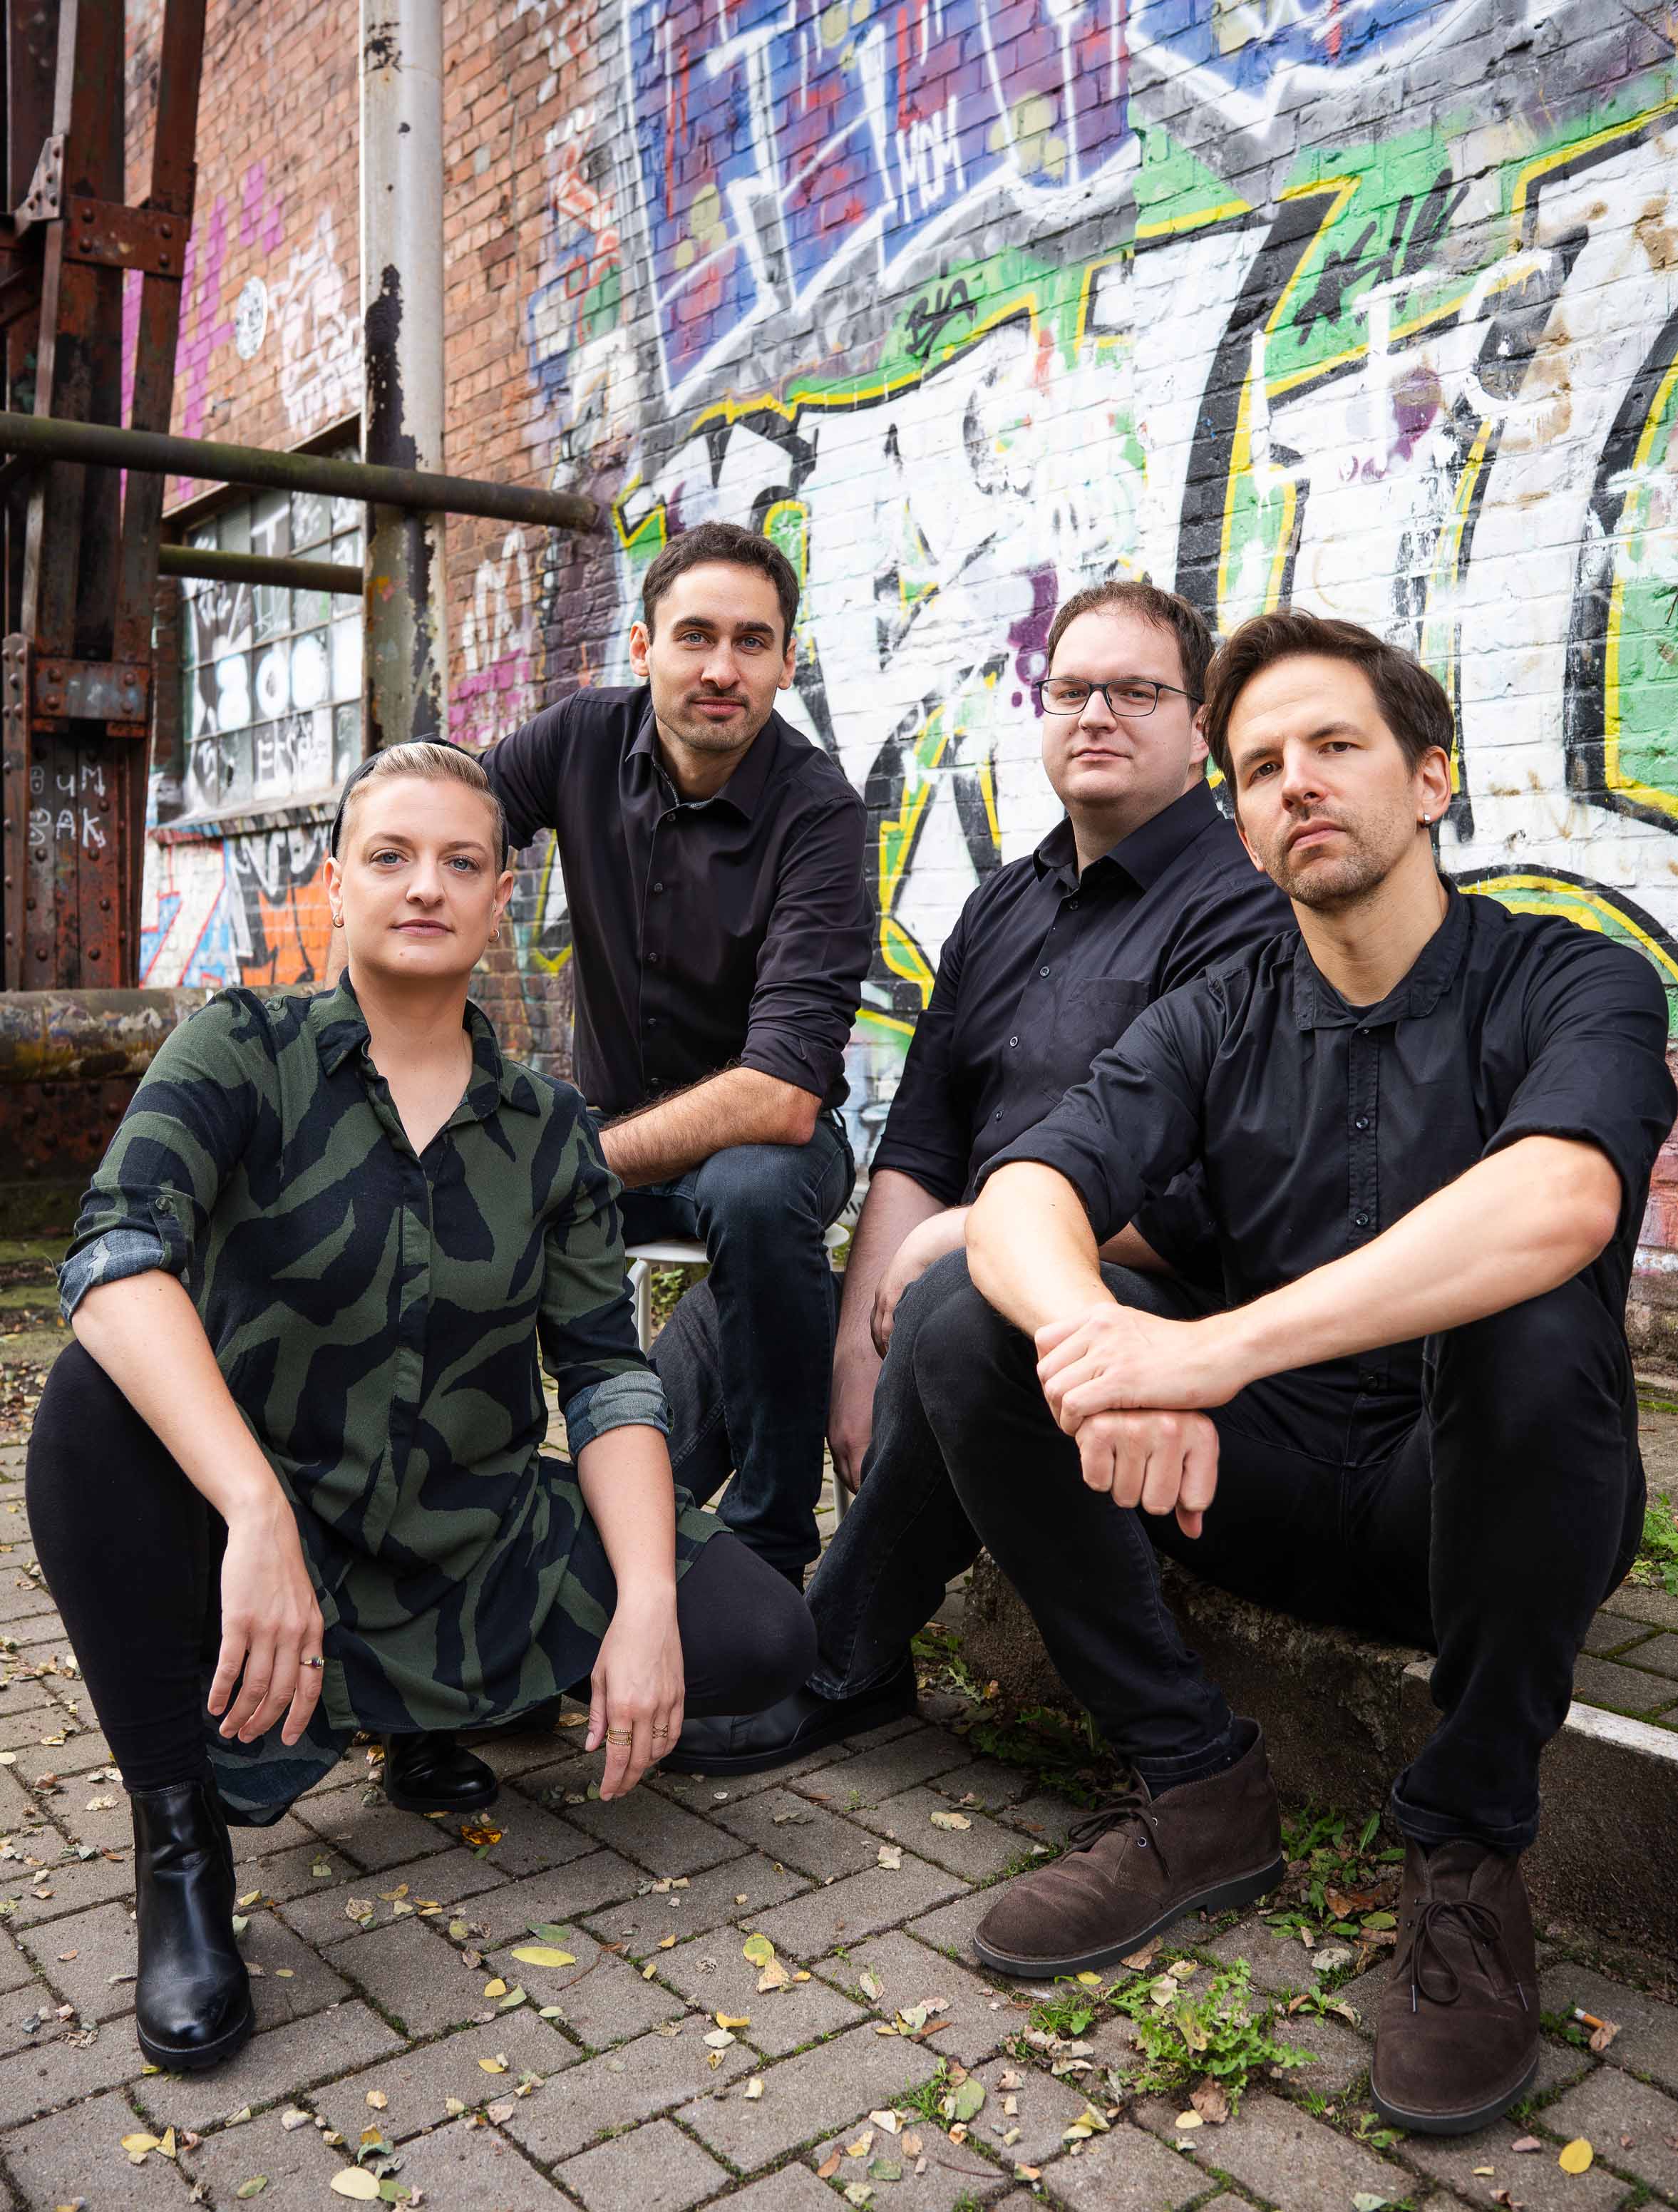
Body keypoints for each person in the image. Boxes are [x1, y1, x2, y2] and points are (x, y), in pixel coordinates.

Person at [924, 611, 1669, 2136]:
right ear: (1242, 816)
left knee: (1531, 1318)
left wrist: (1204, 1353)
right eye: (1258, 766)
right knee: (964, 1316)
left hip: (1473, 1507)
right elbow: (1020, 1194)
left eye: (1333, 745)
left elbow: (1561, 1200)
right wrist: (1100, 1349)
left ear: (1430, 778)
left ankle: (1465, 1853)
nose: (1294, 784)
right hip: (1254, 1490)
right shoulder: (1219, 1009)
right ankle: (1196, 1785)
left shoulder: (1575, 978)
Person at [25, 742, 815, 2076]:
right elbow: (114, 1252)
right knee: (91, 1401)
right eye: (390, 856)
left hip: (469, 1529)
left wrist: (645, 1604)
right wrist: (252, 1510)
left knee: (757, 1638)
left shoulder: (549, 1129)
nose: (425, 886)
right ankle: (180, 1849)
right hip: (280, 1532)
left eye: (461, 862)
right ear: (337, 884)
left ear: (500, 898)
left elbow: (605, 1373)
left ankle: (425, 1713)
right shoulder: (245, 1050)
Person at [664, 579, 1291, 1773]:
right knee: (747, 1300)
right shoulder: (1002, 904)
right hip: (964, 1264)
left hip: (1145, 1307)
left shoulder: (1241, 908)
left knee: (961, 1305)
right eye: (1070, 690)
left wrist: (974, 1243)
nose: (1094, 715)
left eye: (1135, 692)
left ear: (1200, 726)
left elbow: (1213, 1209)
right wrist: (857, 1349)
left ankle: (838, 1660)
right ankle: (585, 1591)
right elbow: (920, 1143)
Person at [483, 522, 871, 1586]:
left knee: (754, 1192)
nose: (720, 669)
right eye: (694, 636)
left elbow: (784, 1095)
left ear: (787, 663)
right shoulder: (579, 739)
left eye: (752, 642)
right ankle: (478, 1522)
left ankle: (771, 1544)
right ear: (643, 647)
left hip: (769, 1147)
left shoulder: (820, 813)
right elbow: (439, 819)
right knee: (460, 1183)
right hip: (609, 1124)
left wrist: (573, 1162)